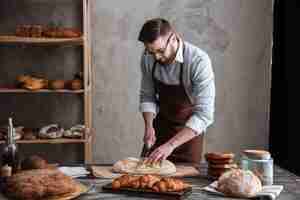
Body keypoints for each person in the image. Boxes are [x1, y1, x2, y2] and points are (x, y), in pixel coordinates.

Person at [138, 18, 215, 165]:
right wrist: (149, 127)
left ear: (173, 38)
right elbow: (147, 95)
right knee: (147, 180)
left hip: (188, 135)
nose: (157, 57)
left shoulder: (198, 61)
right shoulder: (148, 58)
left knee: (185, 184)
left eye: (160, 51)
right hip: (160, 128)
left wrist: (171, 145)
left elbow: (204, 115)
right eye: (151, 52)